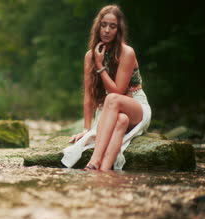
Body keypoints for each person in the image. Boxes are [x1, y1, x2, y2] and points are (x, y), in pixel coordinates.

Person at [61, 5, 151, 171]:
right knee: (121, 120)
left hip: (135, 106)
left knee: (112, 98)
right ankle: (104, 171)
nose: (107, 30)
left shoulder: (127, 52)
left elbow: (118, 92)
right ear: (98, 27)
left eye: (112, 26)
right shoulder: (90, 55)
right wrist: (87, 129)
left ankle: (93, 162)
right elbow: (88, 96)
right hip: (113, 110)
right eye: (103, 25)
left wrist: (100, 66)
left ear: (119, 29)